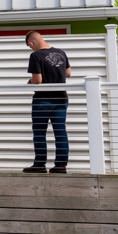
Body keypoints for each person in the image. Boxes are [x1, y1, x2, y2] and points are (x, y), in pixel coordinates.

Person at [23, 31, 71, 173]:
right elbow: (68, 73)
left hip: (42, 100)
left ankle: (40, 164)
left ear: (31, 43)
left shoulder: (35, 55)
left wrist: (29, 82)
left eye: (29, 46)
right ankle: (60, 165)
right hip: (61, 99)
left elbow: (38, 81)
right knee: (60, 131)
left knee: (39, 132)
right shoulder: (61, 52)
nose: (31, 49)